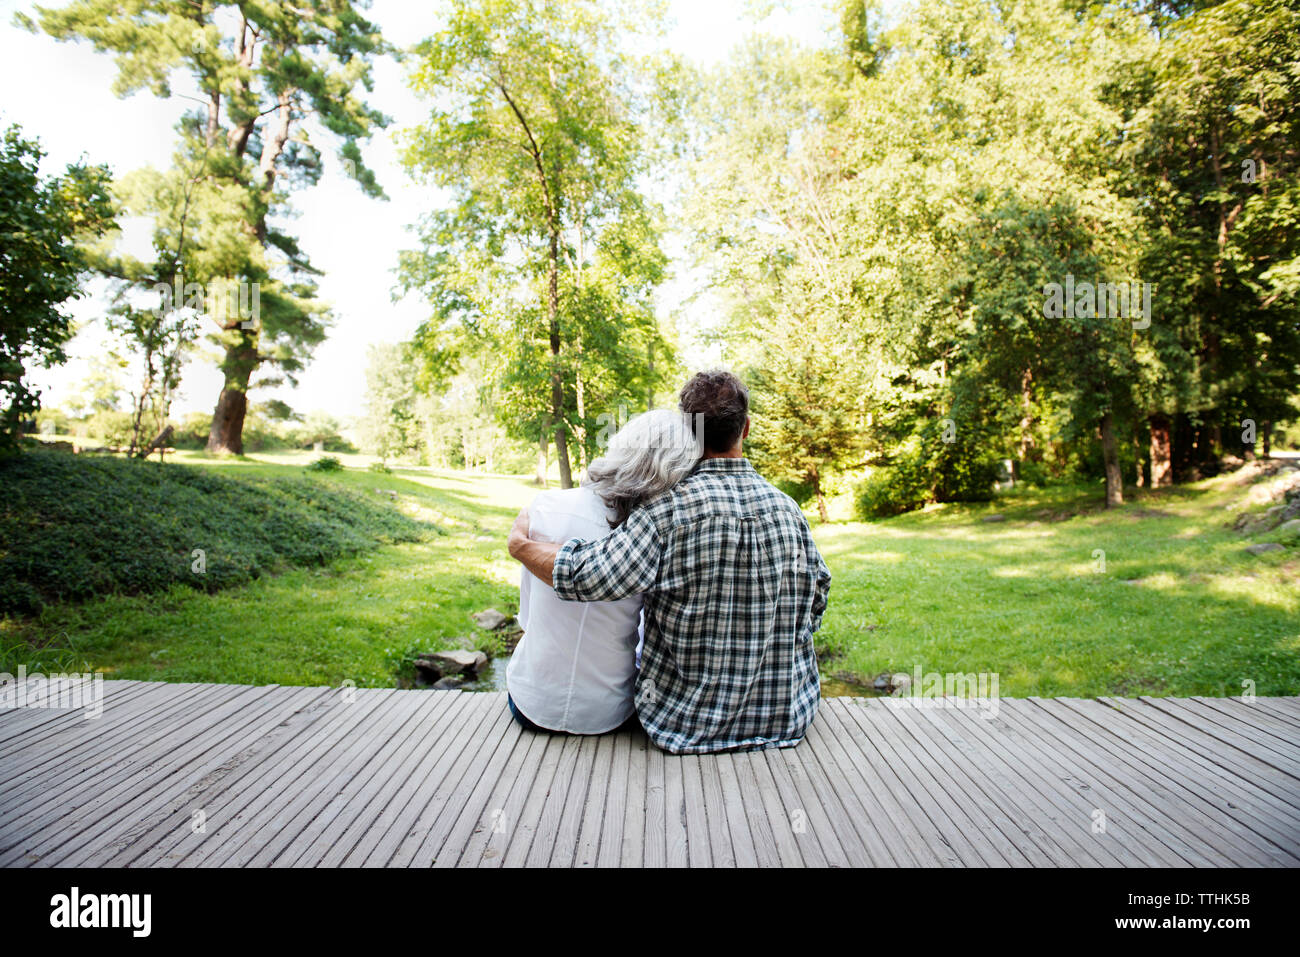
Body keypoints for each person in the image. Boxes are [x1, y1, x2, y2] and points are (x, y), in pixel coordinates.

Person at [507, 370, 831, 754]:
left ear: (688, 434)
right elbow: (815, 601)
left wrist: (521, 546)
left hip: (685, 724)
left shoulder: (665, 512)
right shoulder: (788, 510)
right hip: (786, 719)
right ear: (745, 429)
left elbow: (586, 577)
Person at [505, 408, 702, 734]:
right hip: (609, 713)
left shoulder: (544, 507)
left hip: (532, 702)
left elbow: (527, 617)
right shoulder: (657, 537)